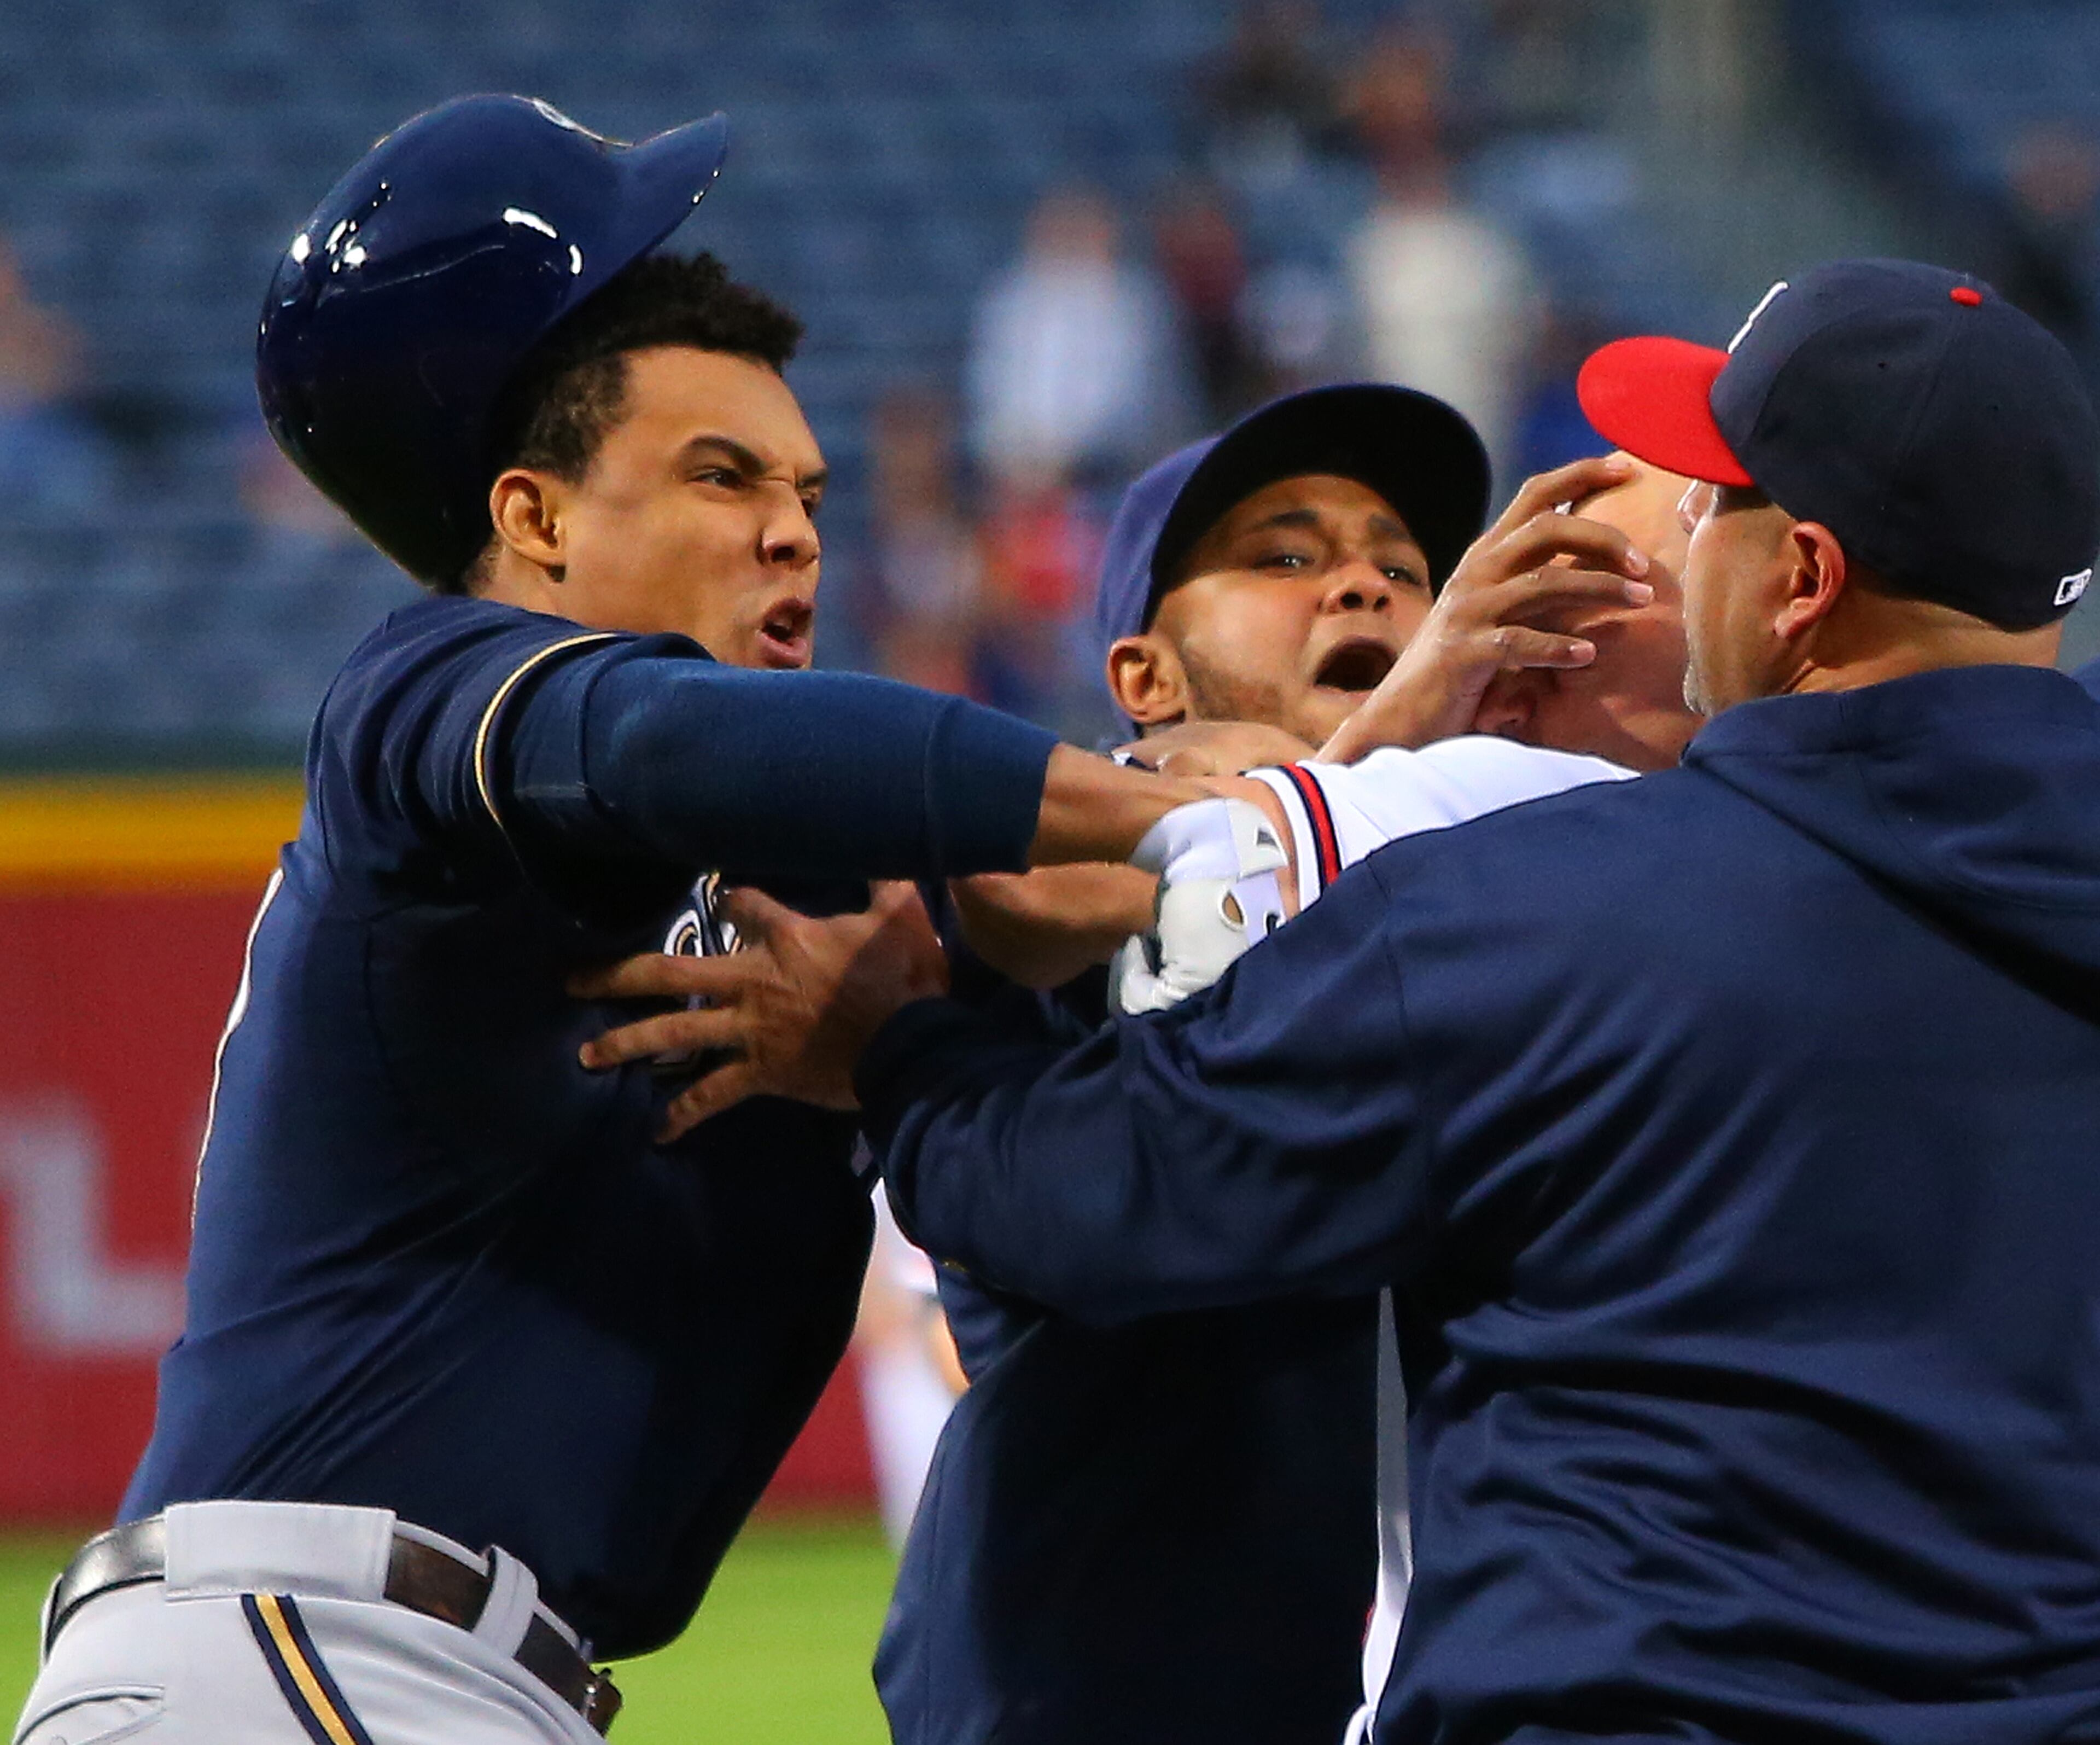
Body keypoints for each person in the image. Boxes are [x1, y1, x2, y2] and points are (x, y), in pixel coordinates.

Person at [681, 261, 2100, 1743]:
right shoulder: (1446, 847)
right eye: (1281, 558)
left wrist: (891, 1051)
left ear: (1799, 580)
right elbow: (1061, 875)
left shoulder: (1527, 889)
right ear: (1138, 676)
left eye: (1687, 522)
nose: (1373, 586)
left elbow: (1090, 1147)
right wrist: (1377, 752)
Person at [12, 96, 1212, 1745]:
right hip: (315, 1649)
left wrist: (1360, 781)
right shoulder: (427, 691)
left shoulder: (744, 898)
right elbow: (671, 740)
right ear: (537, 521)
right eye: (722, 477)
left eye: (806, 484)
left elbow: (1015, 908)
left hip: (410, 1671)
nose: (795, 524)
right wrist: (1205, 814)